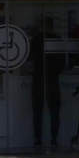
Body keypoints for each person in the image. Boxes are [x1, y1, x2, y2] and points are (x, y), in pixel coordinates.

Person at [30, 16, 64, 150]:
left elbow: (30, 58)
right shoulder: (57, 40)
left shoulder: (35, 41)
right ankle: (54, 139)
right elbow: (62, 61)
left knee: (38, 110)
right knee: (54, 110)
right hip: (52, 79)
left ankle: (38, 139)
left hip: (39, 78)